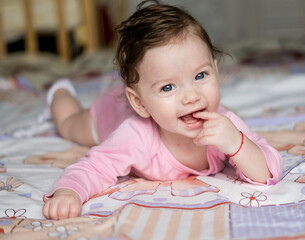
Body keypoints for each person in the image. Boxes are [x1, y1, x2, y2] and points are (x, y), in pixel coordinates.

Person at [42, 0, 283, 220]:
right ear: (140, 103)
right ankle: (60, 92)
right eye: (168, 87)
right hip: (109, 112)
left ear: (216, 71)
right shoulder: (135, 136)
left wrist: (236, 143)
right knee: (70, 125)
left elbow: (269, 172)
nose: (191, 96)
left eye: (201, 75)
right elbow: (93, 167)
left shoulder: (225, 124)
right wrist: (68, 192)